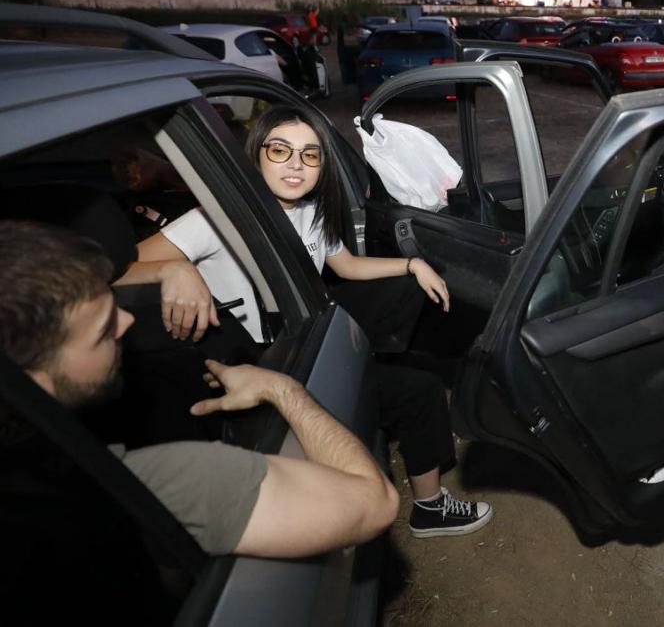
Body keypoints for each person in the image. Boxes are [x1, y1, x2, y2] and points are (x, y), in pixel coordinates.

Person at [129, 103, 492, 537]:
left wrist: (411, 266)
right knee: (415, 390)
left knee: (420, 388)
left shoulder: (312, 213)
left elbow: (346, 268)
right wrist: (175, 269)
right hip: (253, 362)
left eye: (310, 154)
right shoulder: (214, 220)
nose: (296, 165)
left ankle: (429, 506)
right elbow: (116, 270)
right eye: (280, 150)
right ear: (256, 154)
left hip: (303, 339)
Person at [0, 220, 400, 557]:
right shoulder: (169, 481)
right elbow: (375, 503)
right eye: (103, 331)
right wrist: (282, 388)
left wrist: (169, 270)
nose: (125, 323)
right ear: (27, 378)